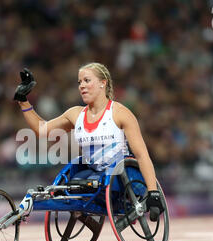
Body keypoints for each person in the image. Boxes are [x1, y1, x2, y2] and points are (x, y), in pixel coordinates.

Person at [13, 62, 164, 221]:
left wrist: (153, 192)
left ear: (102, 83)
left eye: (87, 81)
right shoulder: (75, 114)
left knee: (87, 183)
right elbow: (42, 130)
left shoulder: (120, 113)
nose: (81, 86)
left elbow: (142, 155)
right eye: (79, 82)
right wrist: (23, 100)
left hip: (121, 175)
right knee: (67, 184)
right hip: (94, 175)